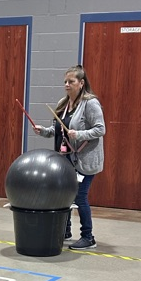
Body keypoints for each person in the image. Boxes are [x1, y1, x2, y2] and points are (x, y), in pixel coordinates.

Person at [34, 64, 105, 250]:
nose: (66, 85)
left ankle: (88, 237)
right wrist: (43, 131)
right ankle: (65, 231)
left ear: (81, 83)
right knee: (65, 195)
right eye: (65, 81)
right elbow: (57, 130)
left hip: (84, 160)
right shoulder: (63, 103)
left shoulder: (90, 103)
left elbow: (100, 129)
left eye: (71, 81)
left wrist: (79, 134)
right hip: (66, 159)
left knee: (80, 197)